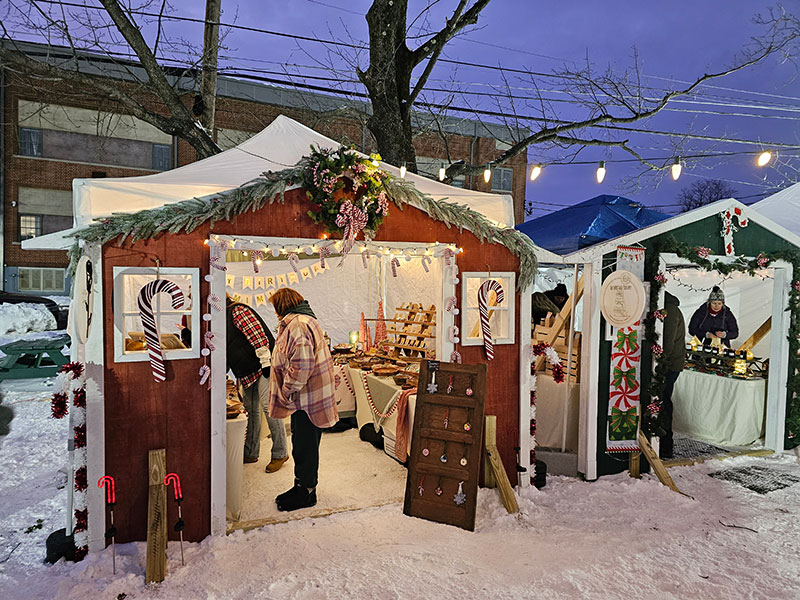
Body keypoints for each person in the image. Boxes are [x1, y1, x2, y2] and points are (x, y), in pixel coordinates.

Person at [268, 288, 338, 512]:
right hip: (310, 395)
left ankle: (307, 492)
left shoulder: (297, 324)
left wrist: (288, 389)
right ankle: (302, 486)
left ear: (282, 306)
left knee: (305, 445)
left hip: (307, 397)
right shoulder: (304, 320)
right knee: (303, 442)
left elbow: (302, 364)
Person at [226, 296, 289, 472]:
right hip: (246, 371)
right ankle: (251, 451)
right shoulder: (219, 318)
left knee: (269, 409)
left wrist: (266, 363)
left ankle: (280, 452)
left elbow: (259, 338)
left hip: (262, 366)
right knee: (251, 409)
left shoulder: (237, 310)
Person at [659, 292, 686, 460]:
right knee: (663, 400)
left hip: (669, 365)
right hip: (670, 363)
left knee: (663, 401)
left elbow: (667, 340)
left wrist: (661, 362)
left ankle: (665, 444)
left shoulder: (670, 310)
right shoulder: (669, 308)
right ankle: (663, 442)